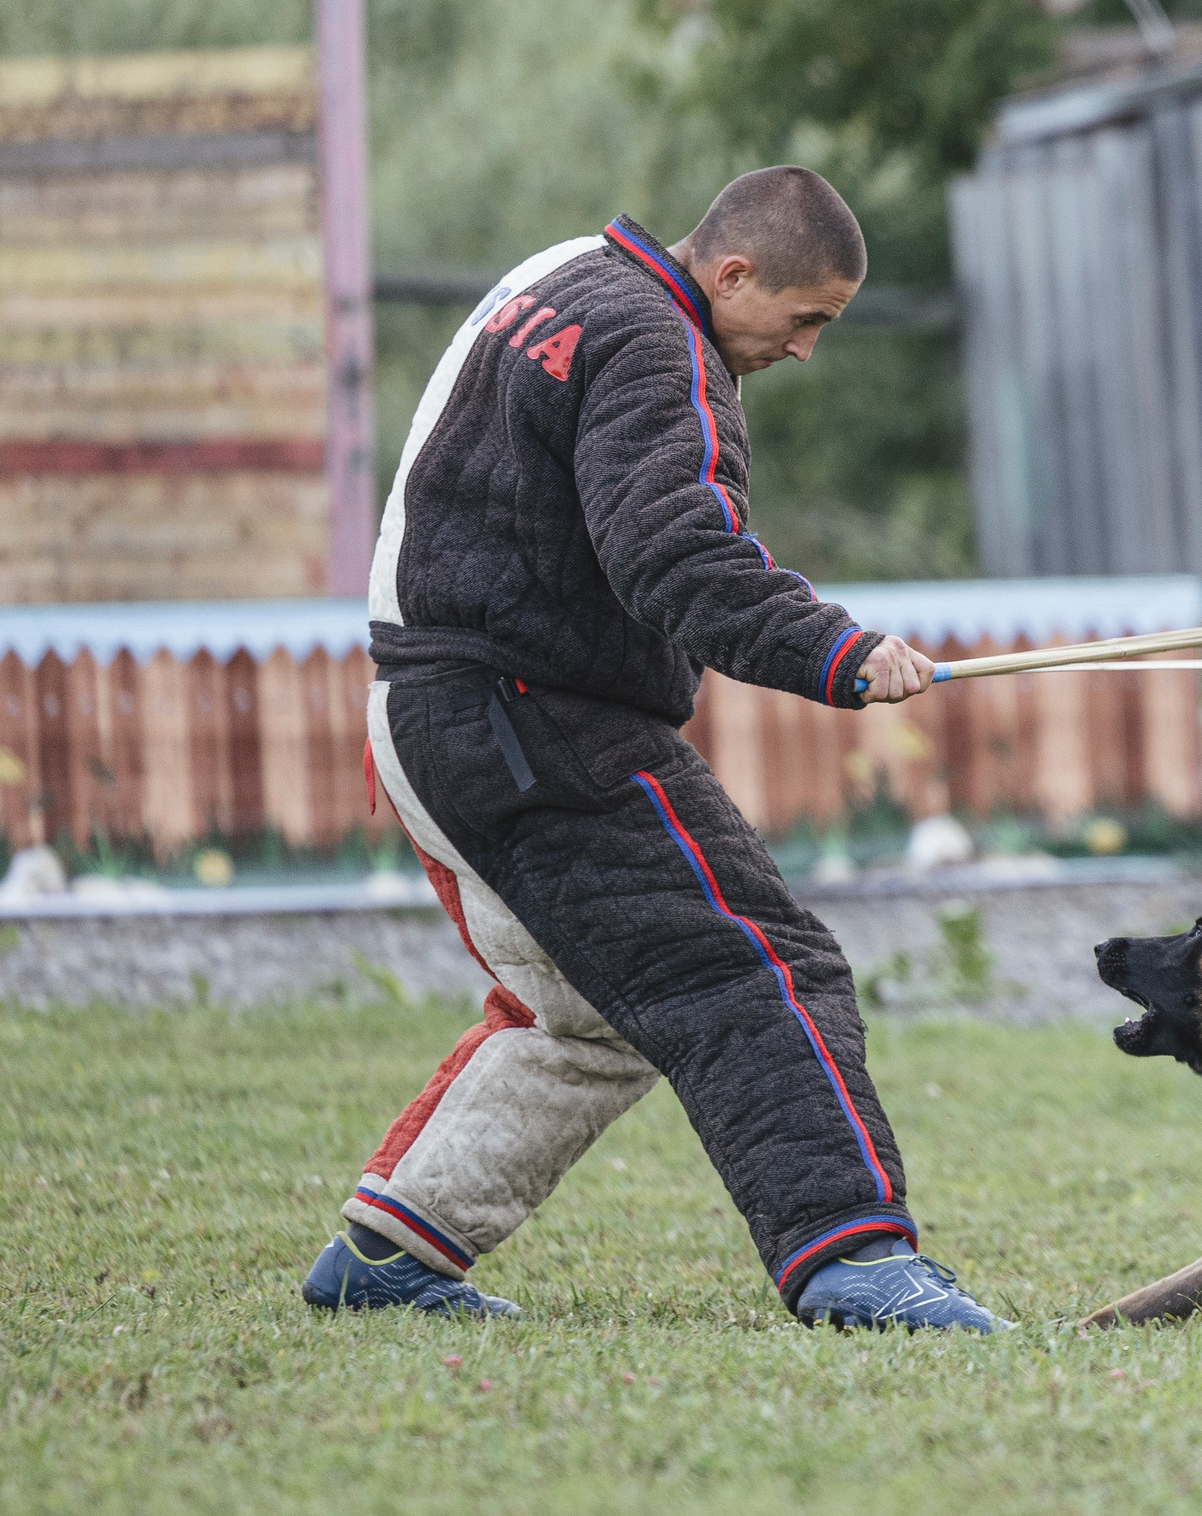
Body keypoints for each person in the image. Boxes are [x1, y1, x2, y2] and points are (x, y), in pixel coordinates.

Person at [298, 167, 998, 1332]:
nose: (806, 350)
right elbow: (674, 554)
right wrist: (839, 649)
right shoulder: (656, 340)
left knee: (594, 1005)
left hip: (436, 708)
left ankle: (390, 1253)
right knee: (756, 964)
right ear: (732, 274)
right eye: (806, 319)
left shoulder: (562, 277)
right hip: (531, 716)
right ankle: (855, 1258)